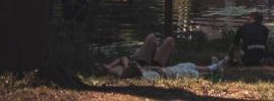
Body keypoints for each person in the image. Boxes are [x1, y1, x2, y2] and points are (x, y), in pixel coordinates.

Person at [96, 34, 226, 80]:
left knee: (151, 37)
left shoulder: (115, 69)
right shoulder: (120, 73)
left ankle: (212, 68)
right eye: (101, 68)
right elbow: (133, 68)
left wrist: (110, 66)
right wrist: (129, 67)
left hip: (143, 63)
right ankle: (213, 68)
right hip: (152, 69)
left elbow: (122, 58)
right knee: (170, 41)